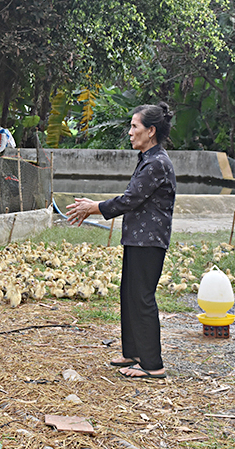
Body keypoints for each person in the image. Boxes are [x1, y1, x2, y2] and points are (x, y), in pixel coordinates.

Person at [66, 102, 176, 379]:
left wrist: (94, 207)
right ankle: (134, 353)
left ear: (150, 131)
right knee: (129, 295)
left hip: (149, 241)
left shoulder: (157, 163)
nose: (130, 132)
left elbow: (130, 199)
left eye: (134, 126)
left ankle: (153, 365)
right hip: (137, 239)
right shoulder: (148, 159)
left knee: (142, 298)